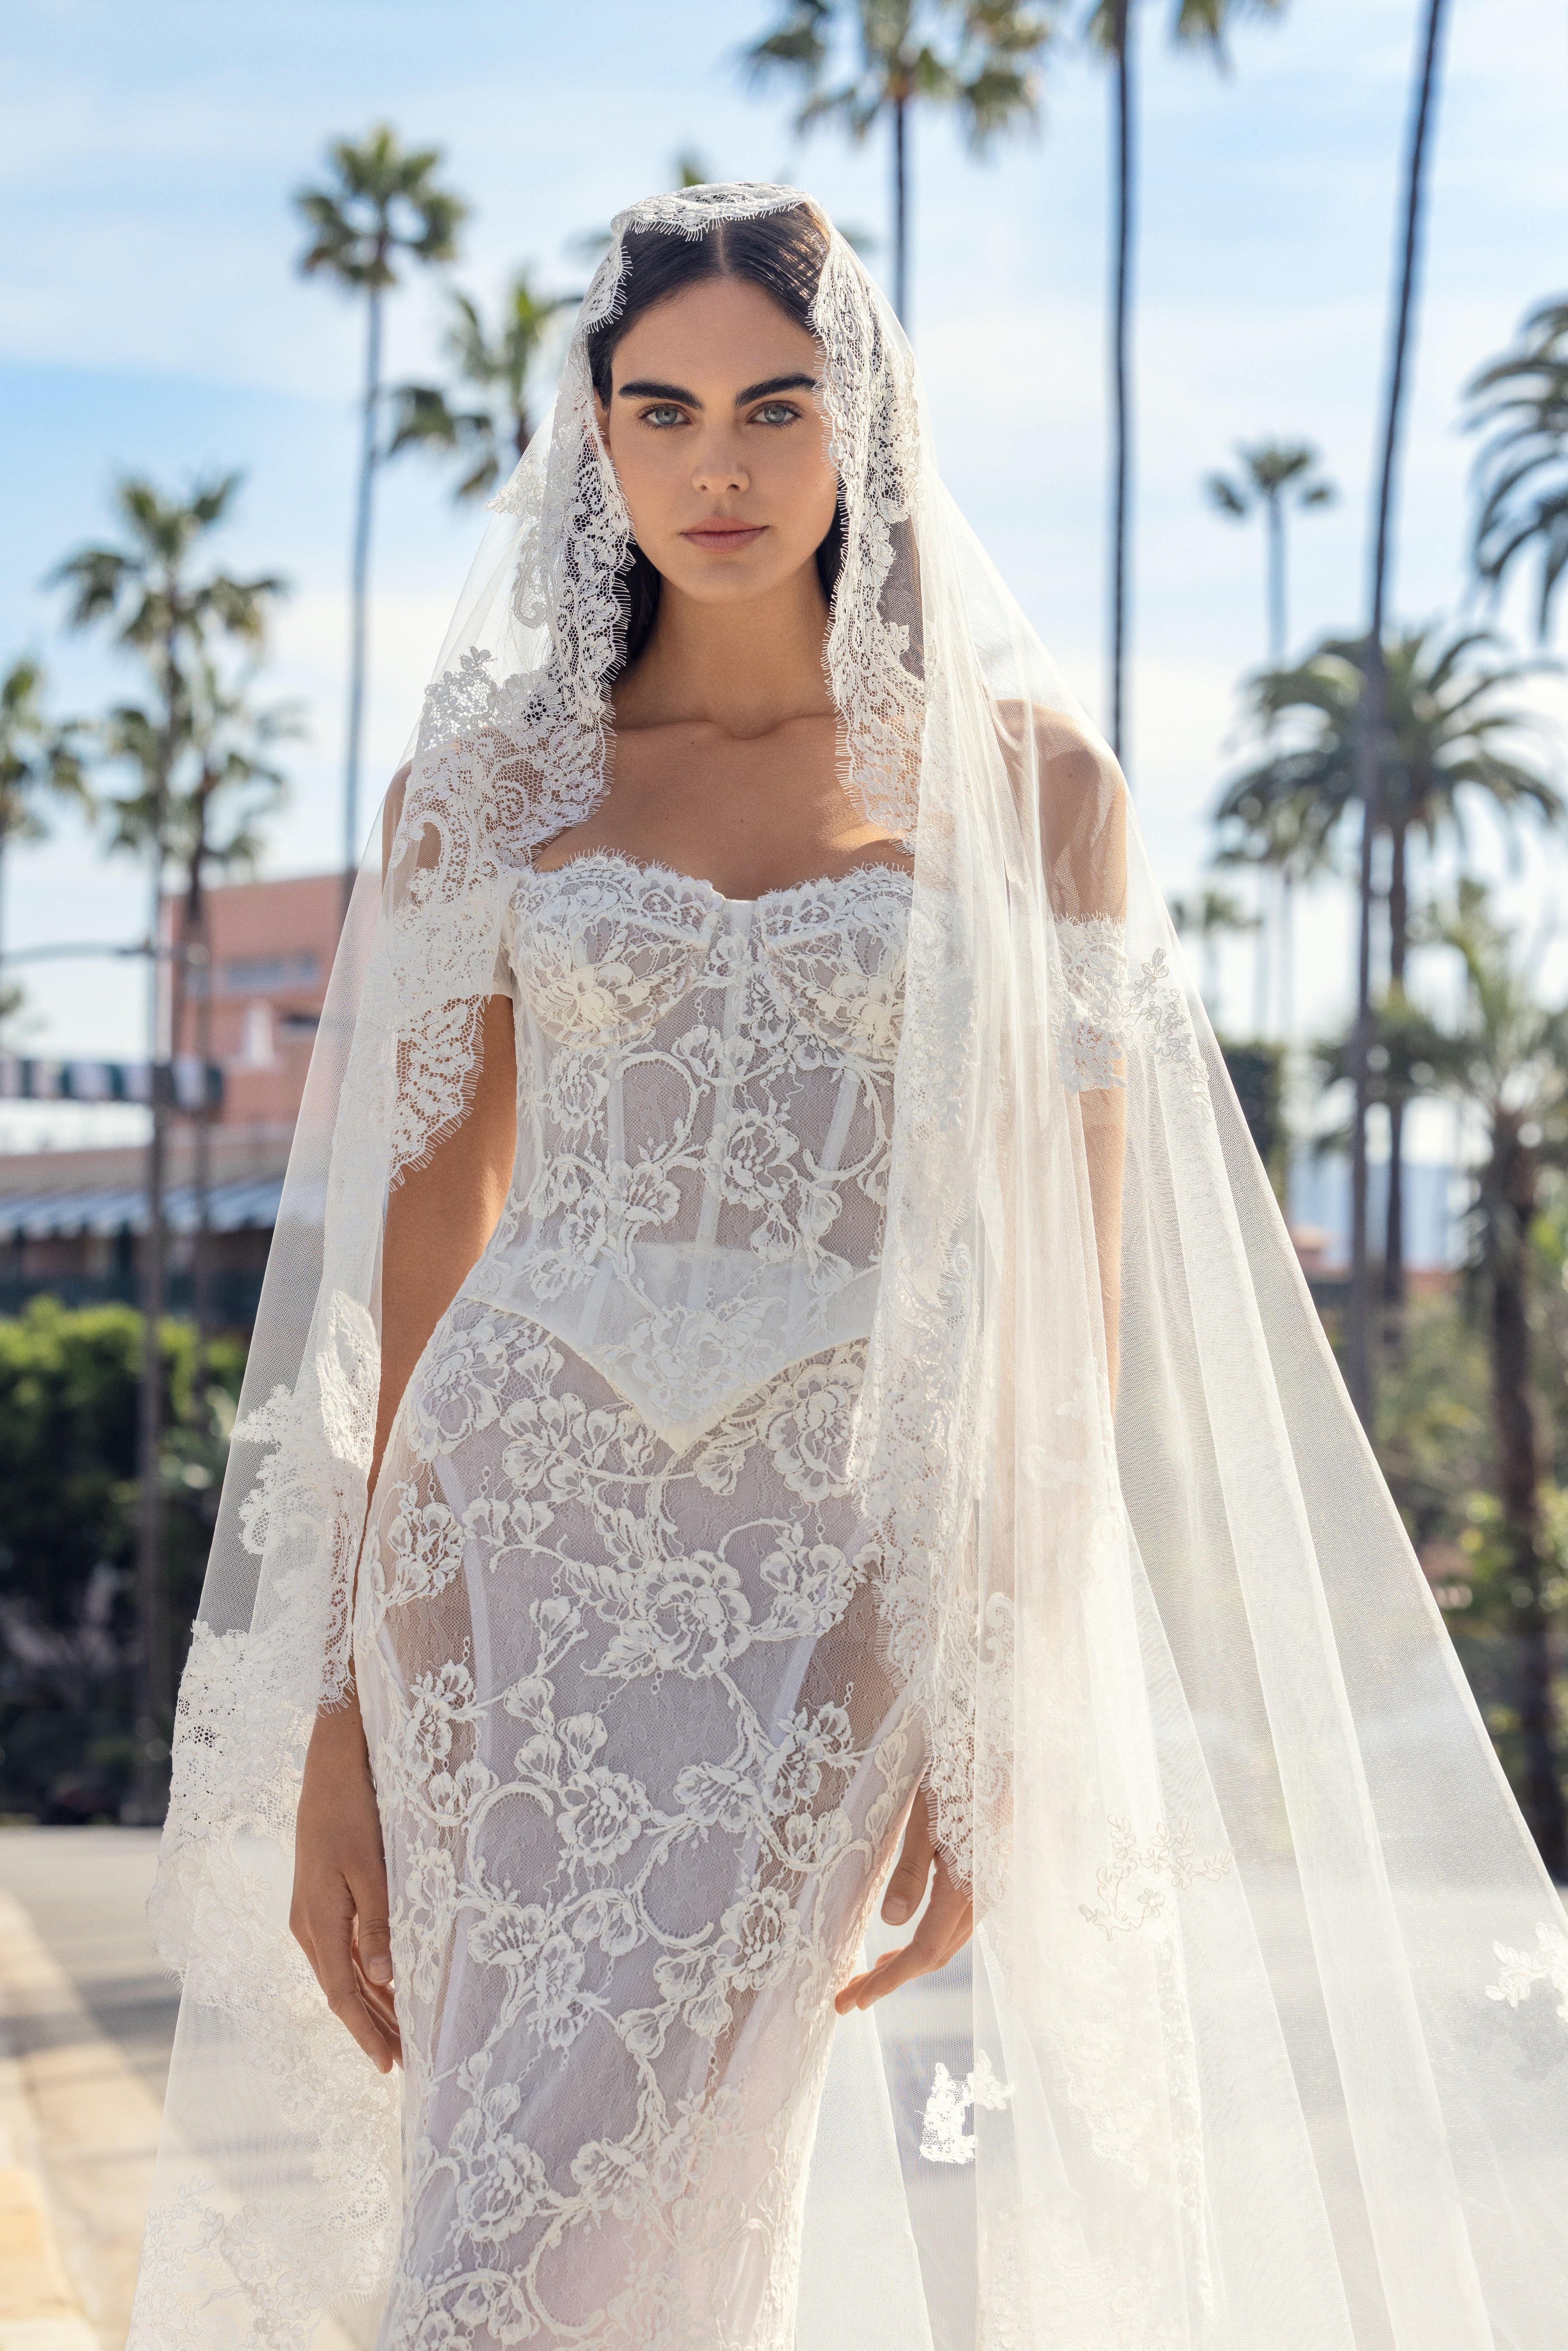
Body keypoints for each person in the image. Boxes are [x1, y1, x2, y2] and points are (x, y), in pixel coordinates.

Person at [132, 187, 1568, 2351]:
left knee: (624, 2206)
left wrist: (997, 1701)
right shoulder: (489, 794)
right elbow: (410, 1272)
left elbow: (1053, 1321)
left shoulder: (1028, 796)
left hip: (828, 1592)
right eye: (664, 409)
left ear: (862, 428)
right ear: (596, 442)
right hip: (494, 1577)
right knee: (505, 2205)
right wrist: (343, 1699)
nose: (719, 464)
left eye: (775, 409)